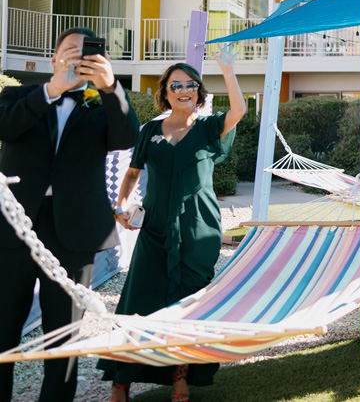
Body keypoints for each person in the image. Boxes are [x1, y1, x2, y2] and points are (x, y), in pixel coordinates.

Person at [0, 27, 139, 402]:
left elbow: (127, 138)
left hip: (75, 230)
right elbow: (6, 126)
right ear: (54, 58)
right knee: (2, 327)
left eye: (87, 51)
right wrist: (51, 92)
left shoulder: (101, 104)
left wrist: (111, 89)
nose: (79, 56)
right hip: (13, 228)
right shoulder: (18, 95)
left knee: (63, 335)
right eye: (71, 49)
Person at [99, 45, 245, 402]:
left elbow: (239, 110)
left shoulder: (210, 127)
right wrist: (122, 206)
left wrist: (228, 69)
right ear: (165, 92)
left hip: (200, 228)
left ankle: (181, 376)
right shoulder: (150, 130)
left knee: (189, 305)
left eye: (191, 85)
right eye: (176, 85)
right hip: (155, 229)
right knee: (140, 300)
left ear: (199, 92)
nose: (184, 90)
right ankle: (122, 381)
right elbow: (132, 173)